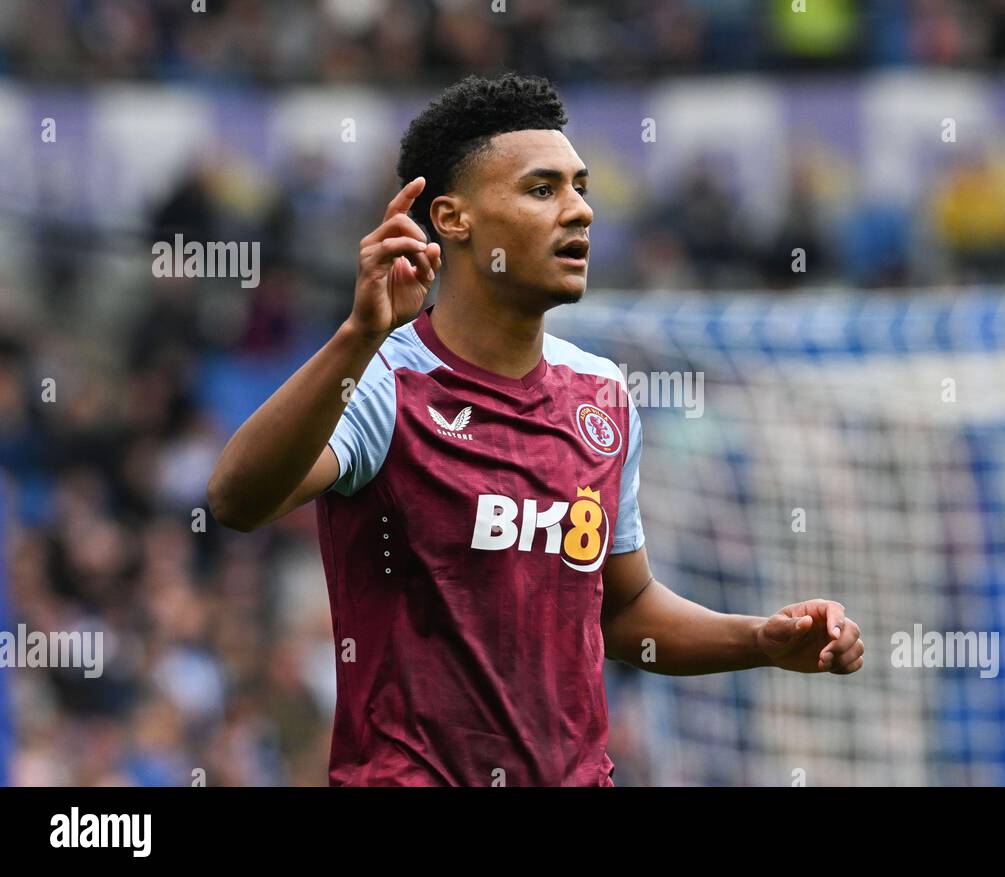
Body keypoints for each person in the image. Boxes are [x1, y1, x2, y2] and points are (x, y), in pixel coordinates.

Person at [207, 73, 863, 786]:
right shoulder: (383, 380)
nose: (579, 211)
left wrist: (761, 637)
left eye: (580, 187)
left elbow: (622, 610)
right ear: (454, 220)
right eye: (542, 189)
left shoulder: (602, 397)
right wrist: (357, 333)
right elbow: (237, 500)